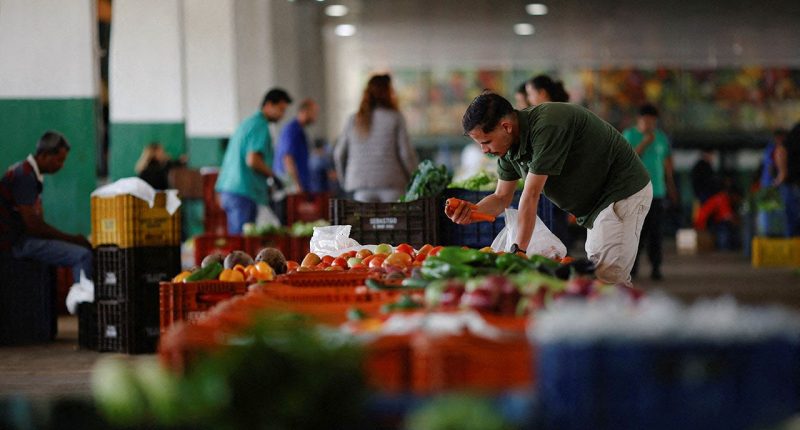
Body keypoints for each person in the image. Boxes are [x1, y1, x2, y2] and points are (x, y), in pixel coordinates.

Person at [448, 93, 651, 286]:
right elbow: (501, 198)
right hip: (595, 207)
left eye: (486, 142)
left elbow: (531, 195)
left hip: (621, 192)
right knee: (599, 279)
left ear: (506, 126)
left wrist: (518, 251)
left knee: (609, 280)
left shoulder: (547, 125)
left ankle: (633, 322)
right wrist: (472, 210)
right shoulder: (509, 149)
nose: (484, 150)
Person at [0, 131, 93, 286]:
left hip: (20, 240)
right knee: (83, 256)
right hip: (16, 243)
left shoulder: (28, 173)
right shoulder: (24, 176)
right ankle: (84, 308)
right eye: (59, 160)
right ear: (43, 155)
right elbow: (34, 226)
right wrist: (73, 239)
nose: (61, 166)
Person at [215, 88, 292, 234]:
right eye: (280, 109)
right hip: (242, 191)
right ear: (268, 105)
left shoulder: (249, 122)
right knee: (241, 246)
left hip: (231, 189)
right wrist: (273, 176)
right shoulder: (260, 125)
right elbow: (253, 160)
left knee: (240, 240)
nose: (282, 115)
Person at [334, 74, 419, 203]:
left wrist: (344, 181)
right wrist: (416, 179)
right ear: (388, 93)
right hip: (391, 184)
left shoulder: (354, 120)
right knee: (394, 222)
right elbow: (406, 154)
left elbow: (339, 154)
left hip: (361, 187)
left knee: (365, 223)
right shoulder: (395, 118)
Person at [622, 104, 678, 281]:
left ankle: (656, 267)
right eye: (646, 121)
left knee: (656, 232)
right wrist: (645, 142)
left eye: (653, 121)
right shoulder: (630, 135)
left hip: (657, 193)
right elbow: (627, 158)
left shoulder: (661, 137)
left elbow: (667, 163)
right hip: (635, 192)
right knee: (635, 232)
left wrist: (671, 186)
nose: (650, 124)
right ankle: (632, 268)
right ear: (639, 120)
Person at [524, 74, 573, 251]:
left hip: (556, 177)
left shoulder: (551, 118)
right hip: (556, 177)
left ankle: (561, 262)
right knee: (556, 222)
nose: (529, 99)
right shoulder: (557, 112)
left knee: (556, 224)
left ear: (542, 93)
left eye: (530, 94)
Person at [274, 99, 319, 194]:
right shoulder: (292, 130)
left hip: (298, 186)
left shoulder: (300, 131)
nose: (316, 116)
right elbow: (287, 158)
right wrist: (296, 186)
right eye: (314, 112)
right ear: (304, 111)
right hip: (291, 189)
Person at [774, 122, 800, 236]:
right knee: (793, 221)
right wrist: (782, 173)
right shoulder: (798, 131)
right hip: (793, 184)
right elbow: (781, 150)